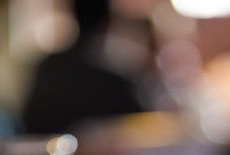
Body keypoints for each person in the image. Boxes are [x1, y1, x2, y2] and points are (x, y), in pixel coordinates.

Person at [22, 0, 145, 135]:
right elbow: (140, 124)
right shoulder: (109, 82)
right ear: (107, 22)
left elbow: (28, 120)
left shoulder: (49, 66)